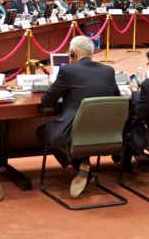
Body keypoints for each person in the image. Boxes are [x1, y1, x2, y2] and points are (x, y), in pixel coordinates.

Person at [37, 36, 121, 197]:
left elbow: (47, 100)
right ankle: (82, 162)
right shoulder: (108, 71)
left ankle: (79, 162)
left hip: (75, 132)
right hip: (105, 132)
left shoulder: (68, 71)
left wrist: (56, 87)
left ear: (73, 53)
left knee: (42, 132)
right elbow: (116, 98)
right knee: (80, 130)